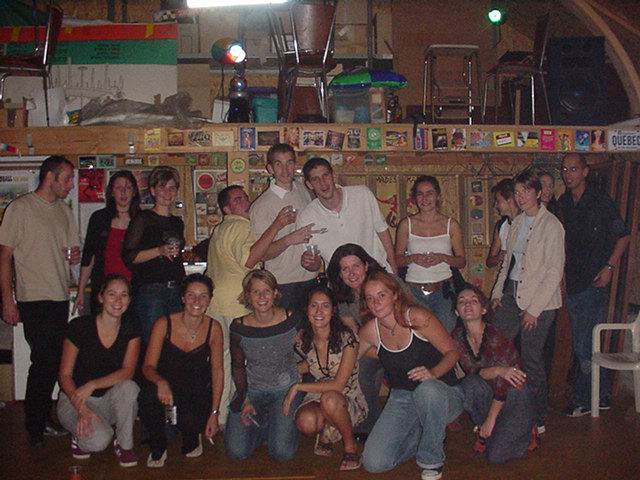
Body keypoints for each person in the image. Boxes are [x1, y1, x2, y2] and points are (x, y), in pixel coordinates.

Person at [0, 155, 80, 446]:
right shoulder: (19, 208)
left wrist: (74, 256)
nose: (70, 186)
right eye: (67, 179)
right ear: (50, 177)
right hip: (32, 298)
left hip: (59, 296)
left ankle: (44, 418)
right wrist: (8, 301)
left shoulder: (64, 211)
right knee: (44, 361)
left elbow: (72, 253)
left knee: (55, 361)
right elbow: (4, 258)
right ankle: (36, 426)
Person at [207, 184, 302, 426]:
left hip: (216, 303)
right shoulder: (241, 226)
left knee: (222, 361)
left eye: (245, 197)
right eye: (238, 199)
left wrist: (285, 239)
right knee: (243, 361)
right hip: (237, 303)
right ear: (226, 208)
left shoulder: (220, 229)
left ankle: (222, 415)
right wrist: (277, 225)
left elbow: (261, 253)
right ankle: (244, 412)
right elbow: (250, 260)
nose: (245, 201)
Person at [359, 271, 462, 480]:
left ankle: (431, 460)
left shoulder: (417, 317)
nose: (376, 303)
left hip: (443, 394)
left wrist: (433, 372)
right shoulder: (370, 330)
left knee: (428, 389)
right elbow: (348, 357)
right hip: (403, 397)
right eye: (370, 298)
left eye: (381, 295)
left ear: (395, 295)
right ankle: (423, 434)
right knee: (373, 463)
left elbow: (453, 352)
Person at [491, 169, 564, 435]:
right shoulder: (516, 223)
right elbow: (507, 263)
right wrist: (497, 293)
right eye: (517, 192)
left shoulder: (552, 226)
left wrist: (533, 311)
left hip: (540, 300)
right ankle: (500, 407)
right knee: (497, 348)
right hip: (512, 294)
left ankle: (538, 415)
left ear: (539, 193)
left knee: (532, 359)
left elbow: (554, 272)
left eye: (526, 191)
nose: (521, 197)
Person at [559, 153, 630, 417]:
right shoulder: (564, 202)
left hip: (594, 280)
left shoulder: (600, 200)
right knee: (585, 343)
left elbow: (623, 236)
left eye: (573, 169)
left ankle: (585, 399)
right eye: (565, 169)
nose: (568, 174)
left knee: (585, 344)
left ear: (585, 171)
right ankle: (600, 394)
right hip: (573, 280)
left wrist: (609, 267)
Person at [139, 274, 224, 468]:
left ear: (209, 300)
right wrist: (161, 382)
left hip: (195, 393)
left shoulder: (214, 328)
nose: (197, 301)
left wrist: (214, 412)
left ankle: (190, 435)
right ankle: (158, 445)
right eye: (191, 295)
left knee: (189, 435)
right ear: (183, 298)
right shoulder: (164, 323)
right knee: (147, 396)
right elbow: (147, 366)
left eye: (203, 296)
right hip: (166, 392)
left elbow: (217, 372)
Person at [57, 274, 140, 466]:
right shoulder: (79, 327)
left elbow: (128, 371)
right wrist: (82, 409)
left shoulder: (131, 329)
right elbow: (64, 375)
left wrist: (93, 384)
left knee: (130, 388)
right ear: (100, 297)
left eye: (124, 295)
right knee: (99, 441)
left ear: (129, 300)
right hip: (75, 398)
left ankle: (124, 446)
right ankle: (79, 437)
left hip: (107, 401)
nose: (118, 300)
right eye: (112, 294)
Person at [284, 285, 367, 470]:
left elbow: (338, 385)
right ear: (307, 310)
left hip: (347, 396)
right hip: (318, 394)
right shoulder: (303, 340)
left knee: (330, 399)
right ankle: (329, 428)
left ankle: (350, 446)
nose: (319, 311)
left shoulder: (348, 338)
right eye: (314, 306)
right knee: (305, 422)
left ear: (334, 310)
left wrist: (298, 387)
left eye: (325, 306)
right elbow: (310, 364)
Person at [452, 285, 535, 464]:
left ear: (483, 309)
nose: (467, 304)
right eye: (462, 301)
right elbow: (473, 372)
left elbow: (504, 384)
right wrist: (497, 370)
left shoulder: (495, 335)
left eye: (474, 301)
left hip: (514, 395)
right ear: (457, 312)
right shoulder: (457, 337)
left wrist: (490, 419)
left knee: (496, 456)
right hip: (489, 393)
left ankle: (528, 432)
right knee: (468, 384)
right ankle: (490, 429)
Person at [225, 270, 303, 461]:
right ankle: (268, 425)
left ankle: (274, 425)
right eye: (256, 292)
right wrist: (244, 398)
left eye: (267, 291)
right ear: (247, 295)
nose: (262, 297)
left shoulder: (291, 318)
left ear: (275, 293)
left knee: (282, 453)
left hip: (286, 389)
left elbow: (308, 353)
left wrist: (298, 378)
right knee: (236, 452)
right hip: (253, 390)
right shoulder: (239, 327)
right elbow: (238, 366)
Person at [296, 157, 398, 275]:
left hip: (376, 273)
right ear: (309, 184)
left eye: (325, 175)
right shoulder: (306, 217)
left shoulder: (362, 194)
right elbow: (315, 265)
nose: (322, 182)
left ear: (333, 175)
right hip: (341, 281)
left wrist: (393, 267)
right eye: (315, 179)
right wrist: (310, 262)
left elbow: (382, 230)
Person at [249, 143, 318, 312]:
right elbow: (262, 255)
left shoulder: (303, 189)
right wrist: (289, 240)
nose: (285, 169)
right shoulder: (261, 206)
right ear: (270, 168)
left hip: (311, 276)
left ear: (295, 165)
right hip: (283, 284)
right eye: (278, 164)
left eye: (289, 162)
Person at [326, 243, 384, 441]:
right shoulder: (344, 298)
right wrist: (380, 354)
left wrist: (392, 354)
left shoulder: (386, 283)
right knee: (357, 367)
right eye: (345, 269)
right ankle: (372, 421)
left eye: (356, 266)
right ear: (339, 274)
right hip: (373, 348)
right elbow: (355, 335)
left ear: (366, 265)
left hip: (403, 345)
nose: (352, 273)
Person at [395, 175, 466, 333]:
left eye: (429, 193)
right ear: (415, 198)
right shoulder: (406, 224)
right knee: (417, 335)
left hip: (443, 290)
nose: (425, 198)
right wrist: (413, 258)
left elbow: (461, 261)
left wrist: (442, 258)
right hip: (413, 290)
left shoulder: (451, 224)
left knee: (445, 333)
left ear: (438, 196)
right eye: (420, 194)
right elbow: (397, 260)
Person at [122, 166, 185, 344]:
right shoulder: (143, 219)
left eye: (172, 188)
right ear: (152, 191)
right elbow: (129, 257)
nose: (167, 193)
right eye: (162, 187)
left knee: (174, 343)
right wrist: (159, 251)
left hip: (176, 288)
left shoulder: (177, 222)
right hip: (151, 290)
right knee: (153, 343)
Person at [75, 171, 140, 316]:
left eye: (128, 187)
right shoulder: (99, 218)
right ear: (111, 192)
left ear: (134, 192)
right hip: (103, 290)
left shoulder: (142, 219)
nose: (123, 192)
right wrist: (81, 290)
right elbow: (89, 257)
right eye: (118, 187)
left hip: (134, 291)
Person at [486, 179, 520, 269]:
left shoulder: (527, 223)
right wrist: (498, 257)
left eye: (498, 201)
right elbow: (489, 262)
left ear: (510, 200)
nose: (495, 206)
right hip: (506, 274)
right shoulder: (501, 226)